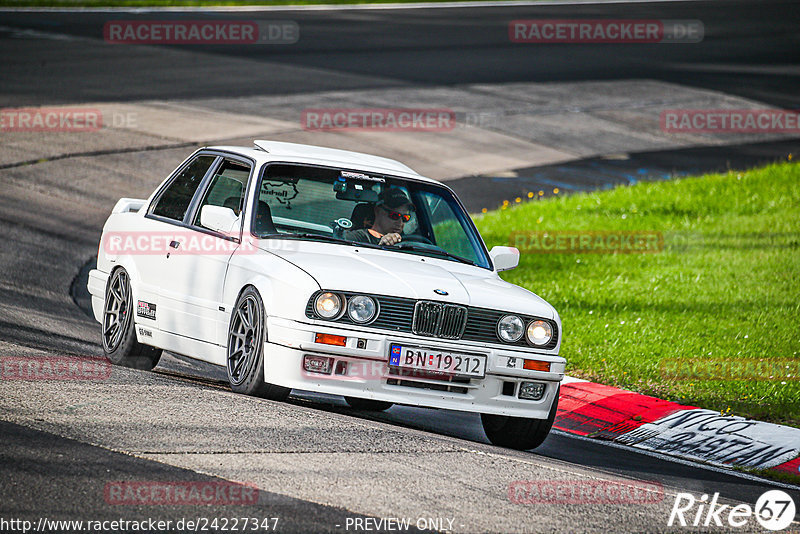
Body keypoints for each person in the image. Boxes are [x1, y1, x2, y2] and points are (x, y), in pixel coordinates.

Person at [344, 188, 415, 246]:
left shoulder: (409, 243)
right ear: (378, 211)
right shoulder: (356, 238)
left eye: (405, 218)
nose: (400, 222)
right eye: (394, 215)